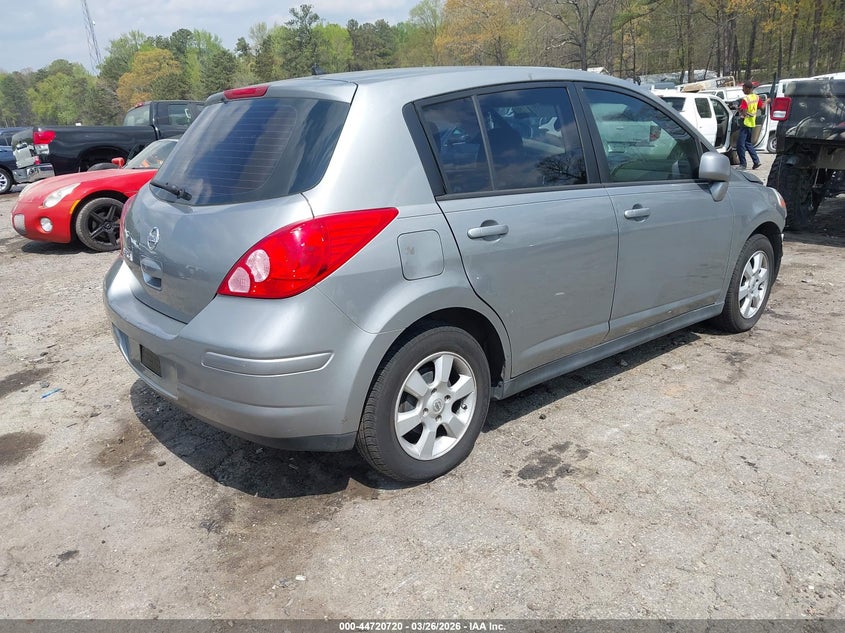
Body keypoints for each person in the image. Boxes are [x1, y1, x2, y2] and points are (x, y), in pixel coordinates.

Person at [736, 80, 762, 169]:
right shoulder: (757, 97)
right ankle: (756, 161)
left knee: (740, 144)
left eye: (743, 89)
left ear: (748, 89)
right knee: (748, 143)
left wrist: (740, 113)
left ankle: (743, 164)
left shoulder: (745, 99)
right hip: (752, 123)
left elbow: (744, 112)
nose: (743, 90)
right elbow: (760, 107)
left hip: (745, 123)